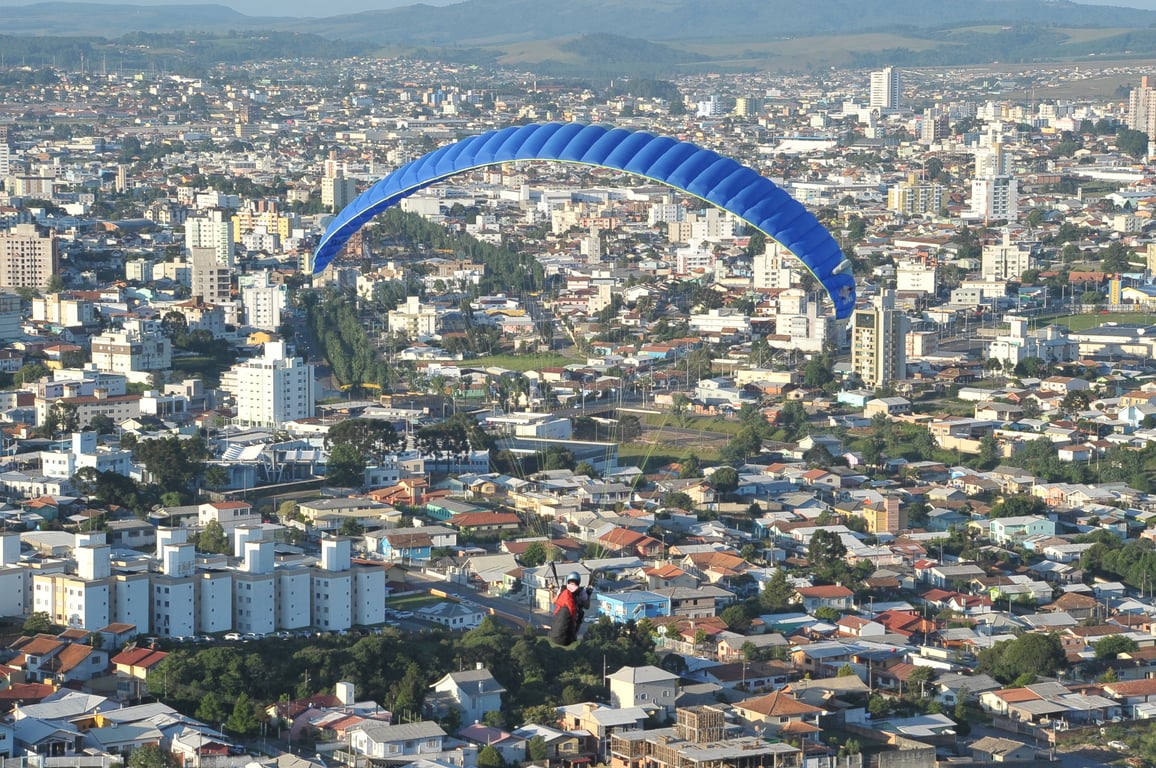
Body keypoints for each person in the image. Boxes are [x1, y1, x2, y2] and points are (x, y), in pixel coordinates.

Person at [549, 570, 592, 646]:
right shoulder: (581, 591)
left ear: (568, 580)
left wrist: (551, 590)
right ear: (578, 581)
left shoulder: (563, 589)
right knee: (581, 614)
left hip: (559, 618)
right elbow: (587, 606)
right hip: (573, 619)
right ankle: (574, 635)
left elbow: (553, 601)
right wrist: (588, 595)